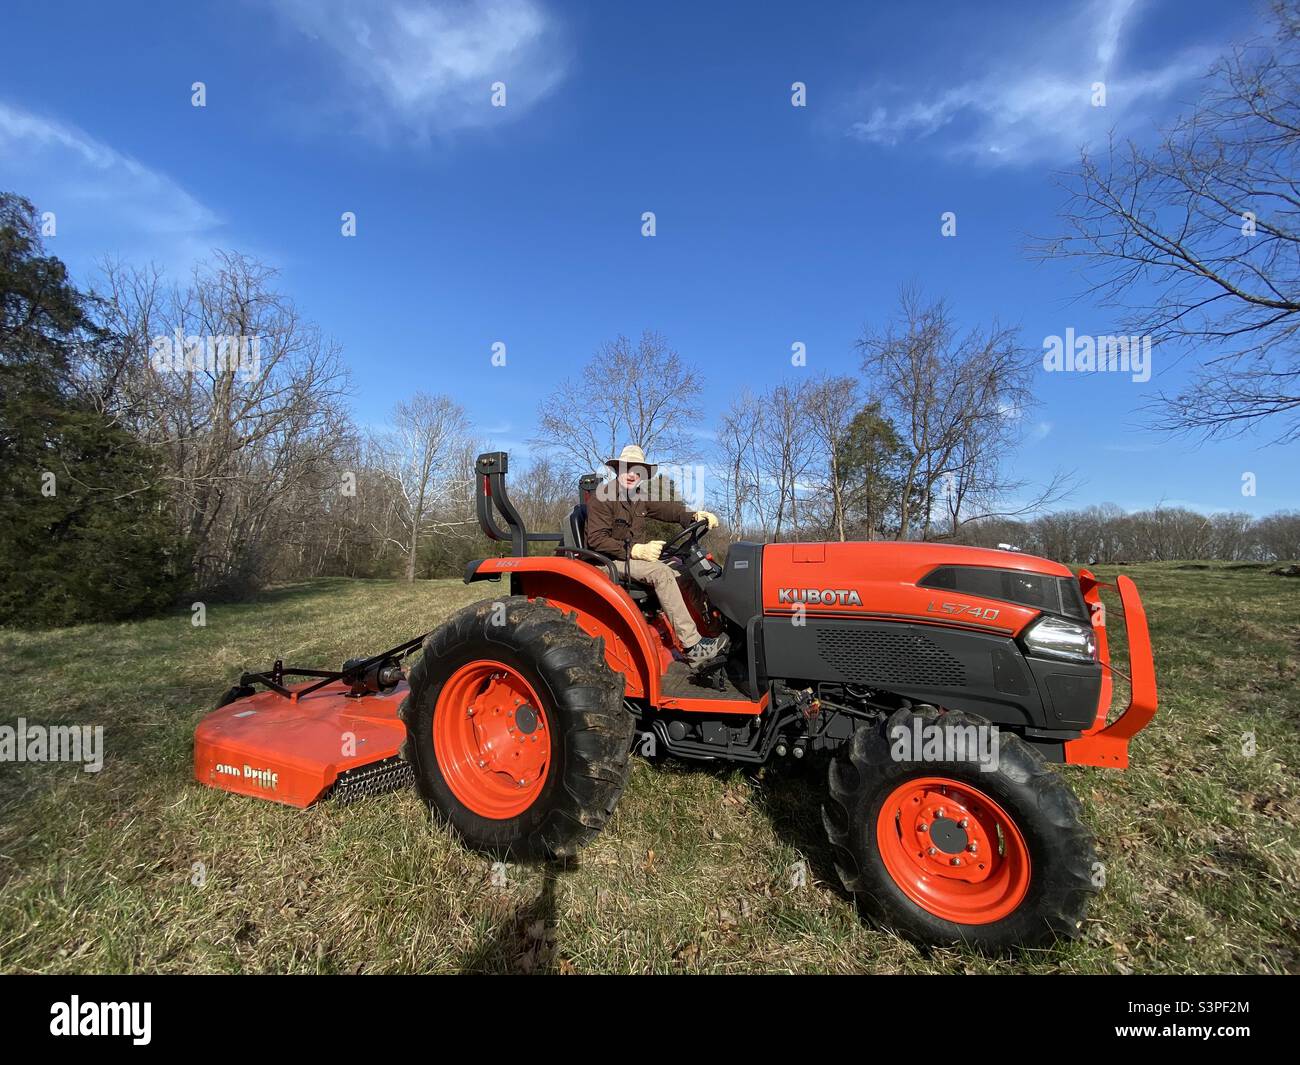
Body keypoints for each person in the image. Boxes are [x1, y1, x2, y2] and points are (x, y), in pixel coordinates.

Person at [585, 445, 729, 663]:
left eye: (638, 469)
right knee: (661, 572)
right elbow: (596, 539)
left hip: (632, 560)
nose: (632, 474)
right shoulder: (602, 498)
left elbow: (669, 509)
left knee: (686, 572)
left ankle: (714, 631)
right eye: (627, 468)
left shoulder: (639, 497)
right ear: (617, 469)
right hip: (608, 561)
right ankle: (692, 646)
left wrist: (694, 516)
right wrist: (635, 549)